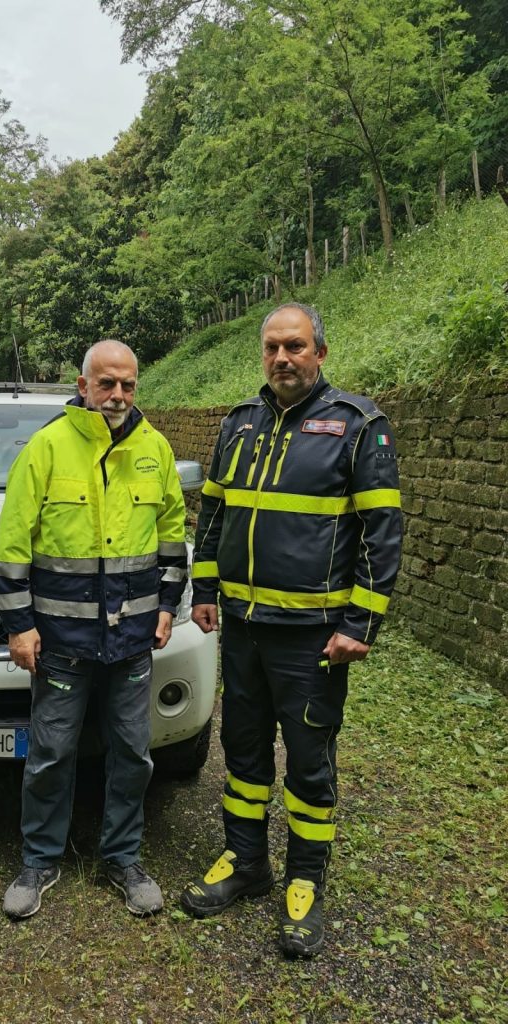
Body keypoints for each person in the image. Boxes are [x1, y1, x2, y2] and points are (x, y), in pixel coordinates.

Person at [181, 303, 403, 957]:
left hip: (314, 639)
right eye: (273, 347)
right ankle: (246, 862)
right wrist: (204, 590)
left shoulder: (360, 427)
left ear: (320, 353)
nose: (283, 358)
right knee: (243, 756)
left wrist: (362, 621)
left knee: (308, 765)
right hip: (244, 632)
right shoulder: (240, 425)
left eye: (296, 346)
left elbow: (382, 533)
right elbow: (214, 517)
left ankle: (305, 881)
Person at [0, 339, 188, 919]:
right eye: (106, 384)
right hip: (61, 644)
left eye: (127, 384)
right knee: (51, 752)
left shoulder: (155, 449)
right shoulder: (47, 447)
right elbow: (12, 543)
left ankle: (122, 857)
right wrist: (19, 624)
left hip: (132, 643)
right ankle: (39, 859)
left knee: (132, 753)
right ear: (83, 386)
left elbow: (172, 533)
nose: (118, 395)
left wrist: (168, 604)